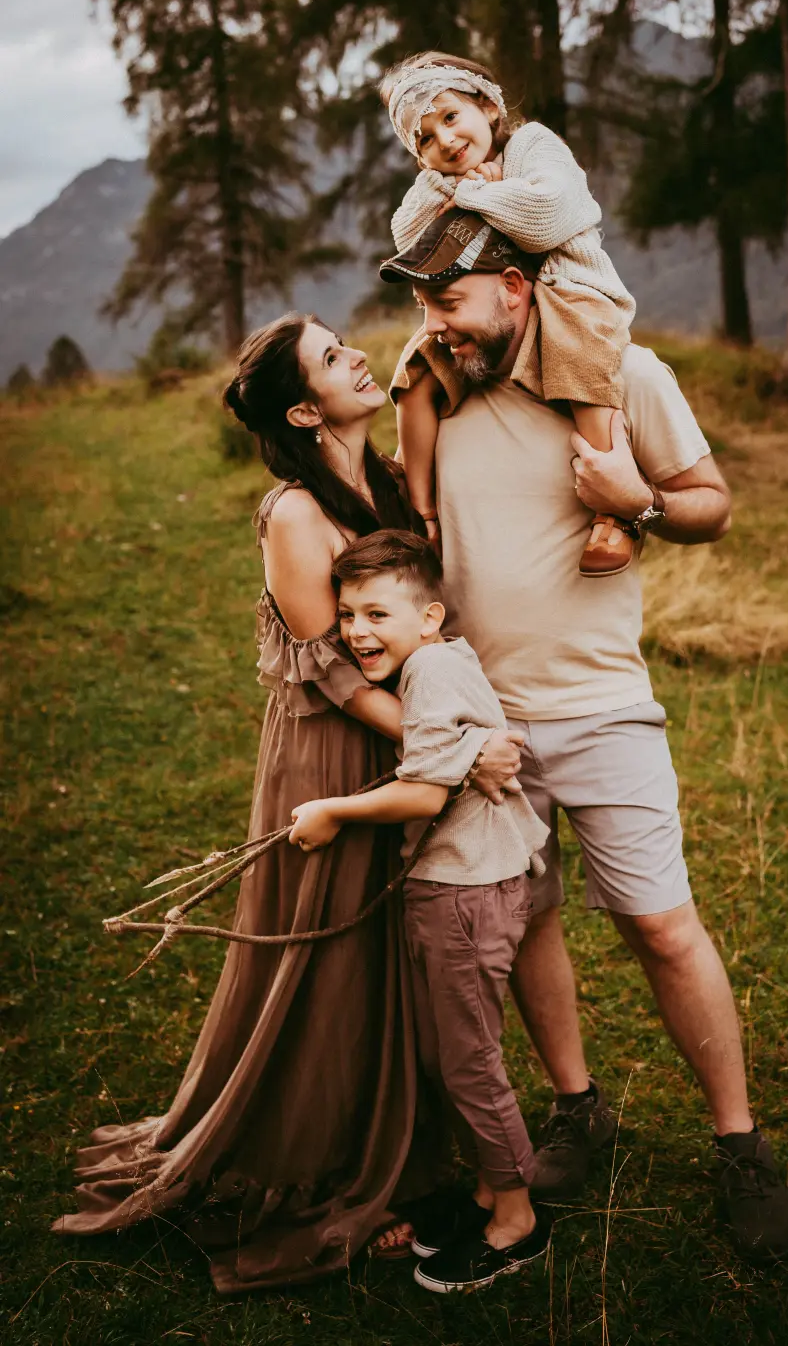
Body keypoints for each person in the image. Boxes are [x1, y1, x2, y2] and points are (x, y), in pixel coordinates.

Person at [52, 312, 521, 1294]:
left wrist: (428, 355)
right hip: (333, 752)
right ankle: (314, 1156)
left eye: (347, 340)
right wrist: (456, 748)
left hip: (408, 739)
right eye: (331, 356)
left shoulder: (378, 480)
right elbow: (339, 682)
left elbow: (421, 404)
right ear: (305, 409)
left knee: (391, 943)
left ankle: (392, 1131)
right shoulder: (294, 515)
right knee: (328, 949)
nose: (354, 353)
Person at [380, 215, 788, 1263]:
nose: (433, 323)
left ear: (515, 287)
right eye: (422, 303)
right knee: (524, 919)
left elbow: (712, 503)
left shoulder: (622, 373)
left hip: (604, 705)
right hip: (484, 726)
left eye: (450, 300)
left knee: (661, 927)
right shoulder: (435, 391)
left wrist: (642, 503)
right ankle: (576, 1108)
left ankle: (739, 1145)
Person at [290, 529, 552, 1294]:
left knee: (469, 1063)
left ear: (430, 616)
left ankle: (516, 1219)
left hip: (467, 894)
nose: (358, 632)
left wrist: (333, 810)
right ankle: (486, 1188)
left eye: (378, 614)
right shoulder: (441, 659)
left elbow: (426, 793)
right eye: (347, 615)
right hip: (467, 886)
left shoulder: (432, 669)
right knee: (455, 1053)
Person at [380, 49, 638, 577]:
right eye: (424, 139)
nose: (445, 141)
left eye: (450, 117)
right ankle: (419, 509)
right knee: (417, 369)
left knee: (577, 347)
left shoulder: (534, 145)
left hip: (571, 287)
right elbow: (409, 236)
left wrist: (473, 195)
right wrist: (479, 193)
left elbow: (544, 215)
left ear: (488, 106)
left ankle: (612, 507)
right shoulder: (438, 181)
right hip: (493, 306)